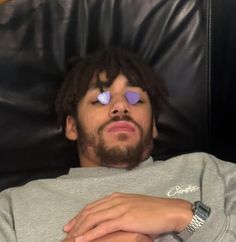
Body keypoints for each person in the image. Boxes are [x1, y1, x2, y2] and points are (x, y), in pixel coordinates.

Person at [0, 47, 235, 242]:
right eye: (100, 99)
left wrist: (186, 217)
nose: (121, 106)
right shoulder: (12, 206)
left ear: (153, 125)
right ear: (72, 127)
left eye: (136, 98)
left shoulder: (209, 171)